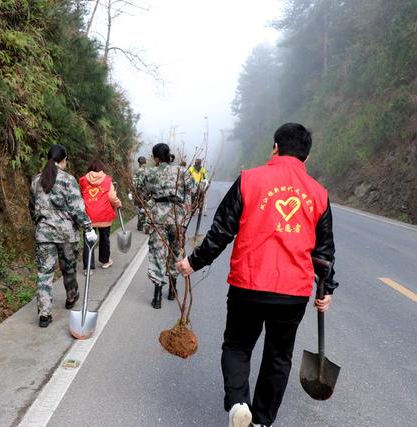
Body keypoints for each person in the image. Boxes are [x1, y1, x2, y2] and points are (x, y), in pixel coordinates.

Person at [176, 123, 338, 427]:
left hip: (248, 285)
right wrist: (326, 288)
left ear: (275, 147)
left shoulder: (249, 180)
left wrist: (194, 262)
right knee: (278, 357)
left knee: (237, 346)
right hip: (293, 293)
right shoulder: (318, 194)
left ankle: (238, 404)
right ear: (307, 157)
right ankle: (262, 421)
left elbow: (221, 230)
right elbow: (324, 252)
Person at [29, 144, 97, 328]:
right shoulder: (68, 180)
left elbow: (32, 207)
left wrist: (42, 223)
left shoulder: (36, 180)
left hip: (44, 235)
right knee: (68, 269)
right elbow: (77, 208)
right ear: (63, 160)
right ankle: (71, 296)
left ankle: (44, 314)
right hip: (67, 234)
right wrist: (88, 228)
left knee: (44, 273)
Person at [141, 143, 193, 308]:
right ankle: (172, 289)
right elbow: (193, 189)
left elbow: (142, 193)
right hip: (178, 218)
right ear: (169, 154)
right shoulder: (182, 171)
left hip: (158, 217)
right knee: (175, 252)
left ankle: (157, 297)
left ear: (156, 158)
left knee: (158, 254)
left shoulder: (151, 173)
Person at [79, 159, 122, 272]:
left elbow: (80, 196)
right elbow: (112, 197)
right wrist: (118, 204)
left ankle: (88, 267)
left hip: (88, 215)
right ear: (102, 169)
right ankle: (105, 261)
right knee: (104, 239)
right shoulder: (107, 180)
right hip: (104, 215)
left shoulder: (83, 180)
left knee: (89, 241)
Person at [131, 156, 147, 231]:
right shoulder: (149, 170)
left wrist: (133, 192)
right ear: (145, 162)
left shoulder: (138, 171)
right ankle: (147, 226)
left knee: (141, 209)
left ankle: (140, 226)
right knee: (148, 209)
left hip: (140, 193)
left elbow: (134, 183)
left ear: (139, 163)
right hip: (148, 193)